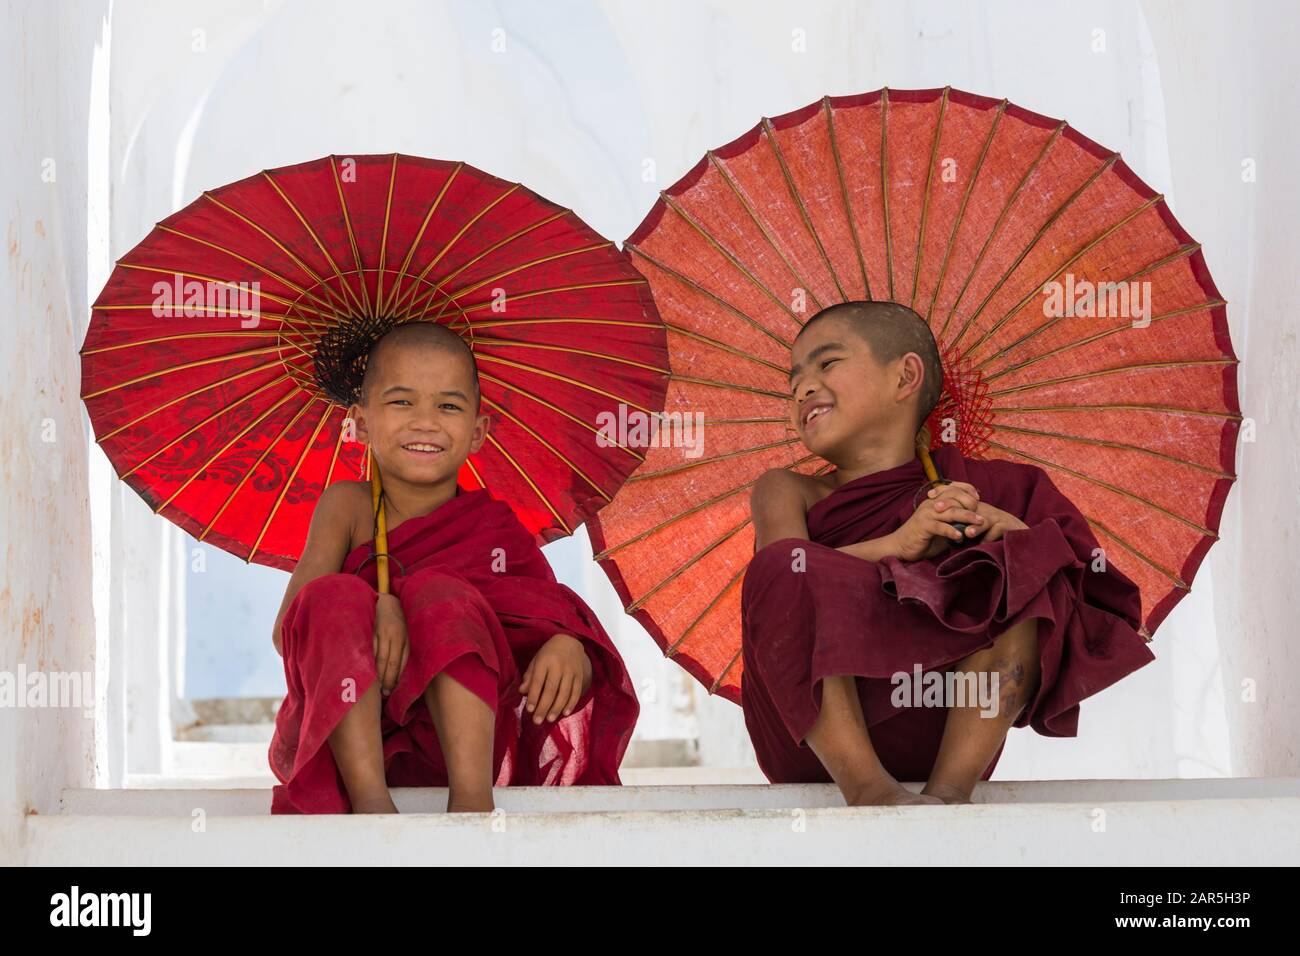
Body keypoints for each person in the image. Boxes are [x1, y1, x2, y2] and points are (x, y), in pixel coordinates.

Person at [743, 300, 1155, 806]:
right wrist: (901, 544)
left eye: (827, 364)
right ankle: (871, 791)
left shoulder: (996, 486)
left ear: (905, 377)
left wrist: (1009, 531)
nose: (803, 387)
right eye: (794, 380)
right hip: (817, 728)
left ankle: (951, 793)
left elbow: (1087, 590)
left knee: (1020, 559)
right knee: (782, 567)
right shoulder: (787, 489)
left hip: (945, 725)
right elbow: (785, 570)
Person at [269, 321, 638, 814]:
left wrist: (568, 644)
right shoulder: (346, 507)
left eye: (448, 405)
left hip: (459, 738)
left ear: (478, 431)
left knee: (440, 593)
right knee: (334, 598)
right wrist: (377, 609)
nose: (425, 421)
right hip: (357, 735)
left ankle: (471, 805)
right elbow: (291, 627)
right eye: (401, 402)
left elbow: (540, 609)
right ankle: (371, 805)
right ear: (359, 421)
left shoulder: (492, 526)